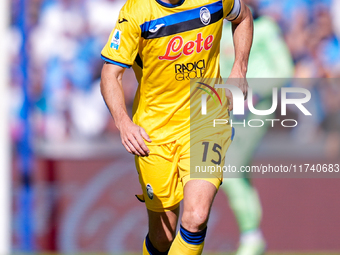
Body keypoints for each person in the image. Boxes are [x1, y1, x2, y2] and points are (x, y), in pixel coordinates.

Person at [100, 0, 253, 254]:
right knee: (163, 236)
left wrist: (240, 67)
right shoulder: (137, 11)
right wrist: (123, 123)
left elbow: (243, 16)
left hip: (206, 119)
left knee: (196, 217)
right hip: (155, 133)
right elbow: (110, 74)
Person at [220, 0, 294, 254]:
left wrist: (254, 93)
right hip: (225, 110)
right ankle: (252, 236)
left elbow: (284, 68)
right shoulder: (219, 27)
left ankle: (251, 236)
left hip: (254, 109)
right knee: (238, 173)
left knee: (229, 172)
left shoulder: (265, 27)